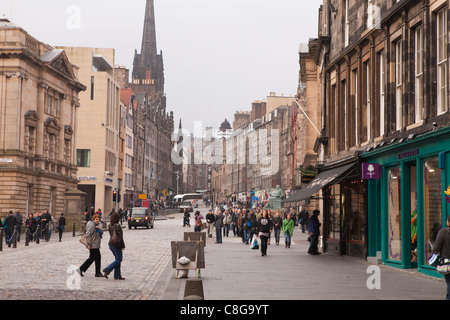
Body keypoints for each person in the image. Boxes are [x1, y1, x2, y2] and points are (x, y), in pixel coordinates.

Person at [432, 215, 450, 300]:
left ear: (448, 222)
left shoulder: (443, 232)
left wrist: (433, 258)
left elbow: (436, 248)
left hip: (447, 263)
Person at [103, 212, 125, 280]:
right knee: (119, 259)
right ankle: (107, 269)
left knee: (117, 259)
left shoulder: (110, 225)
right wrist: (123, 245)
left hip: (111, 244)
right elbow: (120, 237)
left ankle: (117, 275)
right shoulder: (117, 226)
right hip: (116, 244)